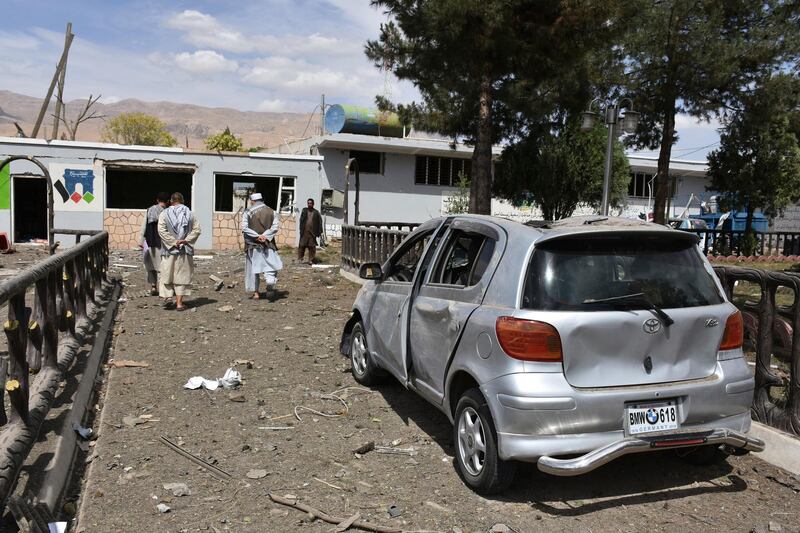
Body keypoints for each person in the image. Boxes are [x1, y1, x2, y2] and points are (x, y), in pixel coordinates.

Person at [158, 192, 201, 311]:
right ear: (183, 201)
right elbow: (197, 230)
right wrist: (186, 240)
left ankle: (167, 297)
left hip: (169, 250)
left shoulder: (164, 213)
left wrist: (173, 242)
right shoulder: (190, 213)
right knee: (181, 276)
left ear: (171, 201)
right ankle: (179, 303)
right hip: (185, 250)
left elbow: (161, 230)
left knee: (167, 274)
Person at [242, 192, 283, 299]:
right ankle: (270, 282)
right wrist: (265, 236)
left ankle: (256, 293)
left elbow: (245, 228)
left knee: (253, 269)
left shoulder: (248, 212)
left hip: (253, 244)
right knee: (270, 265)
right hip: (268, 243)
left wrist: (257, 236)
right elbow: (275, 227)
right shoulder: (272, 211)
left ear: (252, 201)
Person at [139, 192, 170, 295]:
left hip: (149, 241)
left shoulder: (149, 210)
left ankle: (153, 287)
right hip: (162, 242)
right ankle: (162, 289)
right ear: (168, 201)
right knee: (162, 266)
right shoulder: (167, 212)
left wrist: (141, 241)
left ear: (157, 200)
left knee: (150, 265)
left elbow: (144, 226)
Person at [297, 198, 322, 264]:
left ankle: (311, 260)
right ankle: (300, 258)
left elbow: (320, 222)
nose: (309, 204)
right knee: (302, 245)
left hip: (312, 232)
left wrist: (319, 231)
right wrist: (301, 229)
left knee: (312, 247)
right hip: (304, 232)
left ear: (313, 204)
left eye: (310, 203)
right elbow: (301, 220)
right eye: (308, 203)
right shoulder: (304, 211)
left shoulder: (316, 212)